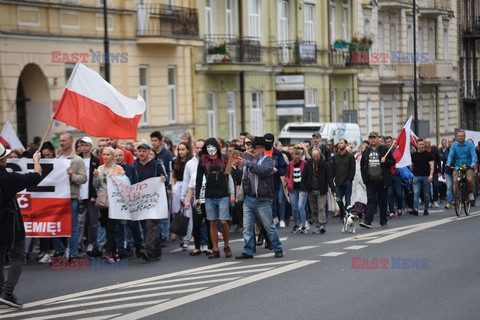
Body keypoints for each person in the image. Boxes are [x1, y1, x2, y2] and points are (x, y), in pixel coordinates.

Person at [0, 144, 42, 308]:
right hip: (10, 225)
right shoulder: (9, 178)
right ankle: (7, 293)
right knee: (18, 256)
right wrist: (36, 160)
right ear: (3, 160)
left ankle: (2, 292)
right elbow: (37, 176)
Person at [234, 136, 283, 259]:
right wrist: (240, 160)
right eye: (251, 146)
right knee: (247, 227)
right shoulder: (248, 159)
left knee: (269, 226)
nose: (252, 149)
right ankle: (248, 251)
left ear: (261, 148)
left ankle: (278, 248)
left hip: (262, 199)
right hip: (249, 198)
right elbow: (236, 169)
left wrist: (247, 163)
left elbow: (263, 170)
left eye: (255, 147)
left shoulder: (269, 160)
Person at [194, 138, 234, 259]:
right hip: (209, 196)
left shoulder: (226, 159)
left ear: (217, 147)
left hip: (223, 195)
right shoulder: (203, 160)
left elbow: (229, 178)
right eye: (208, 147)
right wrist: (197, 197)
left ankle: (226, 245)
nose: (211, 149)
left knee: (223, 221)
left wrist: (232, 194)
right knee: (212, 222)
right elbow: (199, 180)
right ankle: (215, 249)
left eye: (213, 147)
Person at [52, 133, 87, 263]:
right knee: (54, 225)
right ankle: (60, 249)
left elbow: (83, 179)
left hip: (71, 197)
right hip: (58, 198)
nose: (61, 143)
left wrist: (72, 176)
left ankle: (73, 253)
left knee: (72, 227)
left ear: (71, 142)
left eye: (64, 140)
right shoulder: (57, 160)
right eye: (60, 140)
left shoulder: (77, 160)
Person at [134, 144, 168, 261]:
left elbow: (165, 178)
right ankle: (156, 250)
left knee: (151, 225)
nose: (141, 154)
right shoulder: (135, 165)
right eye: (139, 151)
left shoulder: (156, 165)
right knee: (144, 226)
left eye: (144, 151)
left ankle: (148, 249)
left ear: (149, 152)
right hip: (140, 201)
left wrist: (163, 179)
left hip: (154, 201)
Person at [93, 147, 125, 263]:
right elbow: (96, 185)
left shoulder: (118, 168)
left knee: (112, 227)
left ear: (112, 156)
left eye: (107, 155)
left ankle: (108, 252)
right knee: (106, 226)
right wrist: (96, 176)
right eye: (103, 154)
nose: (105, 157)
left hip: (114, 200)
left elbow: (123, 184)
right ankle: (114, 251)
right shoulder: (100, 168)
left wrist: (116, 178)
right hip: (103, 200)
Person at [360, 131, 396, 228]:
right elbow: (362, 165)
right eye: (371, 138)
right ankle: (367, 221)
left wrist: (386, 161)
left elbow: (393, 161)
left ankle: (383, 220)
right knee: (371, 200)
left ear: (378, 139)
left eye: (374, 138)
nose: (372, 140)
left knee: (382, 201)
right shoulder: (366, 151)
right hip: (370, 180)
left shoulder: (384, 149)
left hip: (382, 180)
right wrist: (365, 178)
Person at [301, 147, 335, 234]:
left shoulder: (325, 164)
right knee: (314, 209)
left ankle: (322, 224)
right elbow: (304, 176)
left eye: (317, 156)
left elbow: (329, 178)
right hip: (311, 189)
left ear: (320, 155)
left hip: (321, 189)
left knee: (321, 208)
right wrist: (303, 188)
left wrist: (332, 189)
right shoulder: (308, 164)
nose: (315, 158)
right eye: (314, 157)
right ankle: (317, 225)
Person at [77, 136, 100, 257]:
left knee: (93, 222)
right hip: (80, 195)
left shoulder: (96, 160)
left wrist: (94, 194)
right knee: (79, 221)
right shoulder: (77, 159)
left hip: (91, 196)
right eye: (82, 145)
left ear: (90, 147)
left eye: (86, 145)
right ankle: (78, 243)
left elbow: (98, 179)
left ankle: (93, 243)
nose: (84, 148)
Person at [171, 142, 193, 250]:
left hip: (188, 187)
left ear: (188, 150)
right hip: (177, 187)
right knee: (177, 213)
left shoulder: (191, 162)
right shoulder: (175, 161)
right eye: (179, 149)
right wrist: (173, 187)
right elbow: (173, 175)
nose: (181, 152)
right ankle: (181, 235)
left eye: (183, 149)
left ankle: (186, 240)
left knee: (187, 214)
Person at [446, 130, 477, 202]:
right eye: (459, 136)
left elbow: (473, 155)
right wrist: (448, 163)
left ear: (465, 136)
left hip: (468, 166)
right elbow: (450, 155)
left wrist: (473, 163)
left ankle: (470, 192)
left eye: (462, 136)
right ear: (457, 137)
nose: (461, 137)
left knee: (469, 179)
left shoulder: (470, 145)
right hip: (458, 166)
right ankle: (456, 196)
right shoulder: (454, 145)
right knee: (455, 181)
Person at [285, 147, 308, 233]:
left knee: (300, 206)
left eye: (299, 158)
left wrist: (305, 188)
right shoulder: (290, 164)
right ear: (293, 156)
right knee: (294, 208)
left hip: (302, 188)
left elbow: (307, 176)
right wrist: (288, 183)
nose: (297, 159)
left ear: (301, 156)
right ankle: (296, 224)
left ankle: (303, 225)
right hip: (293, 188)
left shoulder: (305, 163)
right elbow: (286, 175)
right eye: (295, 158)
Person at [410, 139, 434, 216]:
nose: (421, 146)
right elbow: (411, 166)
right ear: (417, 145)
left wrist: (431, 175)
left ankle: (426, 209)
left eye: (422, 144)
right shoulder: (413, 155)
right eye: (420, 144)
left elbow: (432, 166)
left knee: (426, 194)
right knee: (416, 193)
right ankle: (416, 209)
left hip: (426, 177)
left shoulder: (428, 155)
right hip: (416, 176)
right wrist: (411, 175)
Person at [331, 139, 355, 216]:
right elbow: (333, 170)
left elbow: (352, 169)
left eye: (342, 143)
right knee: (337, 199)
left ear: (346, 144)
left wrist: (349, 180)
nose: (340, 145)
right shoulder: (335, 157)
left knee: (348, 199)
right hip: (338, 182)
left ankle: (347, 214)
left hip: (347, 182)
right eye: (339, 143)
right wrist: (331, 180)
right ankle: (343, 210)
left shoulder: (350, 156)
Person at [442, 138, 455, 208]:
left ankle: (456, 200)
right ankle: (449, 202)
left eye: (451, 142)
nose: (450, 143)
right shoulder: (446, 151)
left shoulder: (457, 150)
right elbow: (444, 162)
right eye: (449, 142)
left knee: (455, 187)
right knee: (449, 187)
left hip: (456, 170)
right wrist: (442, 172)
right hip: (448, 171)